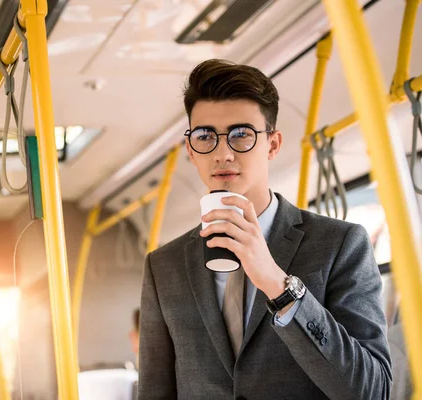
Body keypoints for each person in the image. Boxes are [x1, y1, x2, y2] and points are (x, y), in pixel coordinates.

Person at [138, 60, 392, 399]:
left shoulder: (340, 245)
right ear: (190, 150)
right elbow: (155, 391)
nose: (223, 153)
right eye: (205, 137)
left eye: (241, 135)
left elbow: (372, 391)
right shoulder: (163, 266)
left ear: (272, 145)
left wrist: (277, 284)